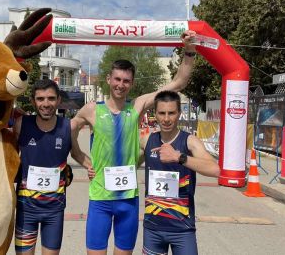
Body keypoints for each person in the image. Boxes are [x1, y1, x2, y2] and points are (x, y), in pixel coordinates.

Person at [71, 31, 197, 255]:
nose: (121, 85)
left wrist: (189, 49)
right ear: (108, 79)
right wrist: (82, 158)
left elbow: (179, 83)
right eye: (117, 79)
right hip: (100, 198)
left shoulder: (137, 106)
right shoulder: (92, 110)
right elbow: (66, 131)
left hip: (128, 200)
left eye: (126, 81)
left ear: (132, 83)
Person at [13, 79, 93, 255]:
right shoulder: (21, 125)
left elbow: (77, 154)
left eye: (50, 98)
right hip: (26, 210)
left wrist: (94, 168)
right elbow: (7, 156)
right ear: (34, 101)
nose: (46, 104)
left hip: (54, 211)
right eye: (40, 99)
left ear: (58, 101)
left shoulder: (67, 127)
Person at [141, 91, 220, 255]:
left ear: (179, 113)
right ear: (155, 114)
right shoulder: (147, 139)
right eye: (162, 113)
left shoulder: (189, 141)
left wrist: (179, 157)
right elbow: (127, 162)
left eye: (171, 113)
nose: (166, 119)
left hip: (182, 229)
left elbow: (216, 169)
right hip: (152, 228)